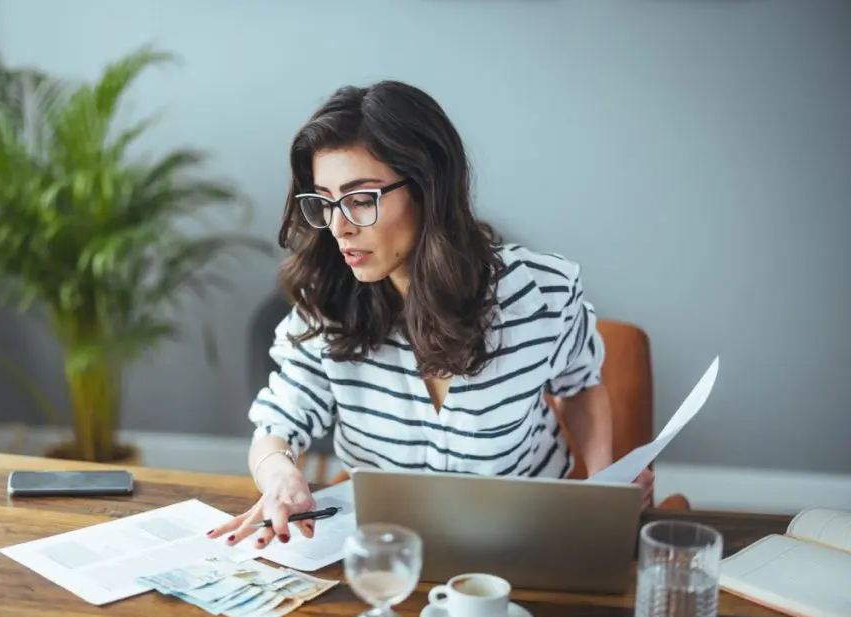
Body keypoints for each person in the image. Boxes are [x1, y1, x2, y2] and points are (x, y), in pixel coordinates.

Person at [208, 80, 654, 549]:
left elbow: (580, 386)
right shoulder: (327, 305)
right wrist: (279, 474)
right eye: (325, 201)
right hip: (385, 552)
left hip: (524, 542)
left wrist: (604, 478)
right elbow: (279, 424)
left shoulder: (540, 293)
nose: (339, 228)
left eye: (361, 199)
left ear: (428, 188)